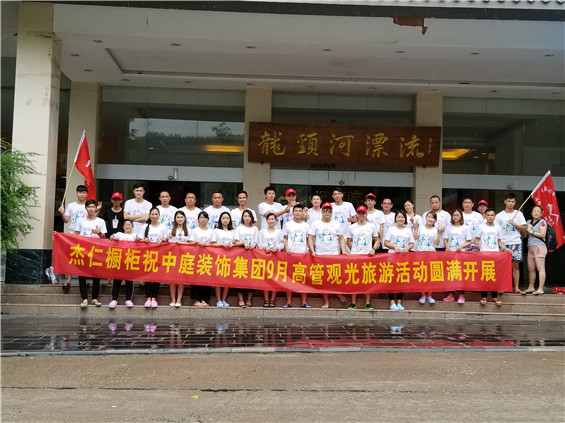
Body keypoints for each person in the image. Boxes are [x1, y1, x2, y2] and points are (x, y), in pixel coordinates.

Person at [307, 202, 347, 308]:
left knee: (335, 276)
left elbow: (341, 238)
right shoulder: (315, 223)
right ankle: (326, 301)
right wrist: (312, 251)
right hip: (320, 255)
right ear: (321, 211)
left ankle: (338, 293)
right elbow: (310, 237)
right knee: (323, 279)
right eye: (325, 210)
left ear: (332, 212)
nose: (327, 212)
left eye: (329, 210)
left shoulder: (337, 224)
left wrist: (343, 251)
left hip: (333, 254)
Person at [74, 199, 107, 309]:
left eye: (93, 207)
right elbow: (75, 234)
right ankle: (84, 298)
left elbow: (104, 237)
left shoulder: (100, 221)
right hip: (83, 250)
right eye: (89, 207)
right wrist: (60, 235)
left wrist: (98, 232)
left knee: (96, 275)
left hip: (96, 251)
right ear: (86, 208)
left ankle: (94, 298)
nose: (91, 209)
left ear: (96, 208)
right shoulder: (81, 221)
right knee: (82, 274)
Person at [475, 208, 510, 305]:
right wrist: (477, 244)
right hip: (484, 254)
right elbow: (477, 239)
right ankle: (484, 296)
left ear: (495, 216)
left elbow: (499, 241)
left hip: (495, 254)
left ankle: (494, 296)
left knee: (494, 275)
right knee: (484, 275)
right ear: (485, 216)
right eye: (488, 215)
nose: (490, 217)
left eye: (492, 215)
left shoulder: (498, 227)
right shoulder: (481, 226)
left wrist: (506, 249)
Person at [346, 205, 380, 310]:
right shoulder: (352, 227)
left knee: (367, 279)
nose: (361, 215)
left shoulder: (371, 226)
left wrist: (373, 248)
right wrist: (353, 250)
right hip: (355, 257)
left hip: (367, 257)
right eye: (359, 213)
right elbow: (348, 241)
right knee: (354, 279)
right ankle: (353, 302)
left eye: (363, 213)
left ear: (366, 214)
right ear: (356, 214)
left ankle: (368, 303)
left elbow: (377, 239)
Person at [494, 193, 527, 294]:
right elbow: (496, 230)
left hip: (515, 242)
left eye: (512, 201)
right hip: (503, 243)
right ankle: (502, 287)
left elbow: (524, 228)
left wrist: (515, 224)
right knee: (503, 266)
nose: (510, 203)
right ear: (505, 202)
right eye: (509, 201)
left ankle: (516, 288)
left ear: (515, 202)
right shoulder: (499, 215)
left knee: (515, 266)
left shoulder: (519, 214)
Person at [58, 184, 88, 291]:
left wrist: (97, 210)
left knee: (85, 257)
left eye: (84, 192)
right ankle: (68, 279)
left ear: (86, 194)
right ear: (76, 193)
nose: (82, 194)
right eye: (80, 192)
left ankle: (84, 278)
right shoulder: (71, 206)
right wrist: (62, 213)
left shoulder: (89, 205)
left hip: (85, 235)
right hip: (73, 235)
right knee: (71, 257)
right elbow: (66, 220)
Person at [384, 210, 414, 311]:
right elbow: (386, 242)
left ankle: (399, 302)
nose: (400, 219)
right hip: (392, 257)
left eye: (402, 217)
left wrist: (407, 248)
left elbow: (412, 243)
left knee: (402, 279)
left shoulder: (408, 230)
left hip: (404, 257)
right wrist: (394, 247)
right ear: (395, 219)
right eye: (398, 217)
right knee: (392, 279)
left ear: (405, 219)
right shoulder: (391, 229)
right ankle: (392, 301)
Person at [282, 204, 311, 308]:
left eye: (299, 211)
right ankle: (288, 301)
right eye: (296, 211)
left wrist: (307, 248)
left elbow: (308, 239)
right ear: (293, 213)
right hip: (290, 254)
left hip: (302, 255)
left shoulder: (306, 225)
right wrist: (287, 248)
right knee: (289, 278)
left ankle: (304, 302)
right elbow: (285, 238)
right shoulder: (288, 224)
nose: (298, 213)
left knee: (303, 278)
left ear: (302, 213)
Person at [141, 207, 169, 308]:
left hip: (159, 254)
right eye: (152, 214)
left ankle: (154, 298)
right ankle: (148, 298)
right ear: (149, 215)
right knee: (147, 276)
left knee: (157, 276)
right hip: (147, 254)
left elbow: (167, 240)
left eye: (156, 214)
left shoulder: (163, 227)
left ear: (159, 215)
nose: (154, 216)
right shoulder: (145, 227)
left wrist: (162, 240)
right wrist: (145, 241)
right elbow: (140, 239)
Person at [108, 220, 140, 309]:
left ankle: (128, 299)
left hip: (130, 261)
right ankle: (114, 299)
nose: (128, 226)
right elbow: (112, 237)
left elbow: (139, 239)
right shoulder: (120, 234)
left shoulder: (134, 235)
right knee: (117, 280)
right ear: (123, 227)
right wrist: (111, 237)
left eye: (129, 225)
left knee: (129, 281)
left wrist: (139, 239)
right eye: (126, 225)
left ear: (132, 226)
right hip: (120, 261)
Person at [443, 209, 472, 304]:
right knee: (450, 274)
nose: (455, 217)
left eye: (457, 215)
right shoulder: (449, 227)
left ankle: (462, 294)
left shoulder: (465, 228)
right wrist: (447, 247)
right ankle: (450, 294)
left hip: (461, 254)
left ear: (461, 217)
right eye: (454, 215)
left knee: (461, 274)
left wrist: (461, 246)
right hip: (450, 254)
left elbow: (469, 241)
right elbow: (445, 239)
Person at [414, 211, 441, 304]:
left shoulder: (435, 230)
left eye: (432, 218)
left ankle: (429, 295)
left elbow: (436, 243)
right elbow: (415, 237)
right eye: (429, 217)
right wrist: (416, 228)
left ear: (435, 220)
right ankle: (422, 295)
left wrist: (438, 233)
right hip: (420, 253)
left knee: (430, 276)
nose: (430, 219)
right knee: (421, 275)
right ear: (425, 218)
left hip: (431, 254)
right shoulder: (420, 228)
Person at [234, 210, 259, 307]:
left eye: (249, 216)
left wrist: (254, 244)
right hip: (241, 254)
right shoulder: (239, 228)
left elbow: (257, 241)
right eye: (245, 216)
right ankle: (240, 299)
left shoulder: (255, 229)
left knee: (251, 276)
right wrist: (243, 243)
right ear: (242, 218)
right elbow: (236, 242)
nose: (247, 218)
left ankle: (249, 299)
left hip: (252, 254)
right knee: (240, 276)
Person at [188, 211, 213, 307]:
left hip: (208, 258)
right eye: (201, 217)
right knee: (196, 278)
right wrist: (198, 242)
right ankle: (196, 299)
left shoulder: (211, 231)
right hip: (196, 257)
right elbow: (190, 242)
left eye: (205, 218)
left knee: (207, 278)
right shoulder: (194, 231)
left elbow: (214, 243)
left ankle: (205, 299)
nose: (203, 219)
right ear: (198, 219)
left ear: (208, 220)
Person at [259, 212, 284, 307]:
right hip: (265, 257)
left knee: (275, 277)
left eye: (273, 219)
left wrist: (277, 247)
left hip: (276, 257)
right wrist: (265, 247)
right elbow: (259, 243)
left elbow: (282, 244)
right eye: (269, 219)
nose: (271, 221)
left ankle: (272, 299)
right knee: (265, 277)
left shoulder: (279, 232)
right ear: (266, 220)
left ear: (275, 221)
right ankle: (266, 299)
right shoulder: (262, 231)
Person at [212, 211, 235, 307]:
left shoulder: (233, 231)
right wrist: (222, 244)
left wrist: (232, 245)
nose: (225, 220)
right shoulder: (216, 231)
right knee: (218, 279)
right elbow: (213, 243)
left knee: (227, 279)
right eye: (223, 218)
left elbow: (236, 243)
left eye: (227, 218)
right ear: (220, 220)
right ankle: (218, 299)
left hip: (230, 257)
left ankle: (224, 299)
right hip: (219, 257)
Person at [168, 211, 191, 307]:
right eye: (178, 217)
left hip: (184, 257)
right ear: (175, 219)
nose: (180, 219)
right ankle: (173, 299)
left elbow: (191, 243)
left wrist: (183, 244)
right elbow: (166, 242)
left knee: (181, 278)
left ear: (185, 218)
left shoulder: (189, 230)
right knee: (172, 279)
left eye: (181, 217)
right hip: (173, 256)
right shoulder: (170, 230)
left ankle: (179, 299)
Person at [102, 191, 125, 287]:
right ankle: (109, 279)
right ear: (111, 200)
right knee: (110, 259)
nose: (116, 201)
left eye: (118, 200)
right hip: (109, 238)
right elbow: (104, 224)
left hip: (121, 238)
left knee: (121, 259)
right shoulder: (107, 212)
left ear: (121, 201)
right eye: (115, 199)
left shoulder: (124, 213)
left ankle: (122, 278)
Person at [525, 205, 548, 295]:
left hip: (539, 246)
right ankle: (531, 287)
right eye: (534, 211)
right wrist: (526, 229)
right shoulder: (528, 222)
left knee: (540, 267)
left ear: (541, 214)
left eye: (538, 211)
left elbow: (543, 234)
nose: (536, 213)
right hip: (530, 247)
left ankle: (540, 288)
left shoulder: (542, 222)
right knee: (531, 268)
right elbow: (525, 235)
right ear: (531, 213)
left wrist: (531, 231)